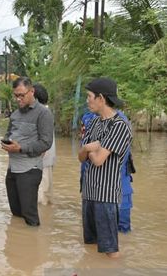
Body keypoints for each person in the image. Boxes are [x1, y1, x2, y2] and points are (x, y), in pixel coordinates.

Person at [78, 77, 132, 258]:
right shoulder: (93, 122)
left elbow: (99, 159)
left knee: (110, 250)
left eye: (89, 96)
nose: (87, 100)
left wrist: (92, 150)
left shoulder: (120, 125)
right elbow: (81, 157)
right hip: (89, 193)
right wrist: (88, 147)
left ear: (101, 98)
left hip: (106, 196)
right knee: (91, 245)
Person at [1, 77, 54, 226]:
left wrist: (21, 148)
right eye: (16, 95)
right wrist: (7, 142)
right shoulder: (15, 114)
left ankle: (33, 243)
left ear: (32, 91)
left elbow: (46, 143)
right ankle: (19, 243)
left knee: (29, 214)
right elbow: (8, 133)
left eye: (21, 95)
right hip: (12, 169)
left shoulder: (43, 113)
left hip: (30, 170)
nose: (18, 99)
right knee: (16, 212)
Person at [80, 110, 135, 234]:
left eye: (90, 96)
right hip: (92, 184)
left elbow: (101, 155)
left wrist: (89, 151)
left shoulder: (118, 120)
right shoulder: (89, 117)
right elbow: (84, 149)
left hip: (116, 183)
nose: (88, 100)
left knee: (121, 227)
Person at [33, 84, 56, 205]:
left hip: (42, 160)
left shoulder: (42, 113)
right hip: (45, 160)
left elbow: (43, 139)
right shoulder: (44, 111)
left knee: (42, 197)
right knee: (45, 194)